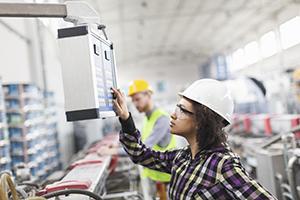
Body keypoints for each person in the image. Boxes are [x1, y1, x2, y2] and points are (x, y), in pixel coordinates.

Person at [111, 79, 277, 199]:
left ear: (202, 120)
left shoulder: (223, 166)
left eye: (182, 110)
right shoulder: (182, 157)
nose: (173, 114)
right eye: (177, 107)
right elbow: (141, 154)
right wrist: (126, 118)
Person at [100, 79, 176, 198]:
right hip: (153, 178)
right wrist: (117, 146)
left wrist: (112, 151)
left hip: (166, 181)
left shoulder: (162, 119)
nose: (135, 104)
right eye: (133, 100)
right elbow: (140, 142)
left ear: (148, 95)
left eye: (138, 99)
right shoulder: (147, 118)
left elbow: (141, 149)